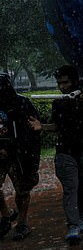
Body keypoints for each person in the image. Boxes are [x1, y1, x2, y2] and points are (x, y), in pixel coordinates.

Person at [37, 65, 83, 243]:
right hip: (65, 151)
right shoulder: (59, 102)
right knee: (70, 187)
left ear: (75, 80)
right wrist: (41, 127)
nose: (62, 87)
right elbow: (55, 126)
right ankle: (72, 225)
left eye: (66, 82)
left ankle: (82, 216)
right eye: (59, 83)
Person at [0, 73, 42, 241]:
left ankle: (22, 222)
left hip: (20, 155)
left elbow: (34, 128)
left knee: (22, 190)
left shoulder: (22, 104)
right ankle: (7, 215)